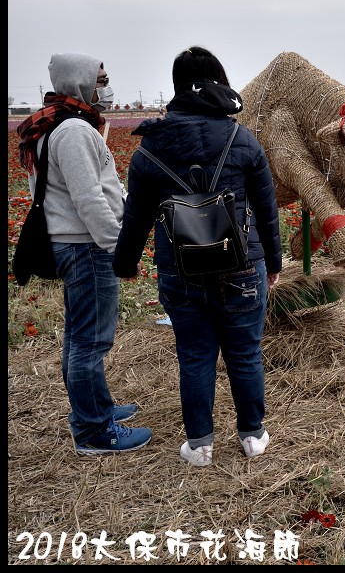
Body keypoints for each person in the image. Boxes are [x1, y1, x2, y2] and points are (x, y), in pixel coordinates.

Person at [113, 46, 283, 467]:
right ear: (219, 82)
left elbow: (135, 216)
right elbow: (266, 209)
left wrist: (125, 262)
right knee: (245, 352)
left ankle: (200, 445)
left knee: (194, 356)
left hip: (180, 269)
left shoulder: (151, 146)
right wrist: (274, 264)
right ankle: (252, 435)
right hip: (243, 265)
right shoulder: (242, 138)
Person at [16, 53, 152, 455]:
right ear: (79, 82)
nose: (105, 87)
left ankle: (98, 407)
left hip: (73, 242)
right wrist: (118, 248)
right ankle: (95, 431)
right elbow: (90, 198)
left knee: (80, 337)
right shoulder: (74, 129)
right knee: (90, 341)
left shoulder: (52, 123)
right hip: (85, 244)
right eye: (101, 79)